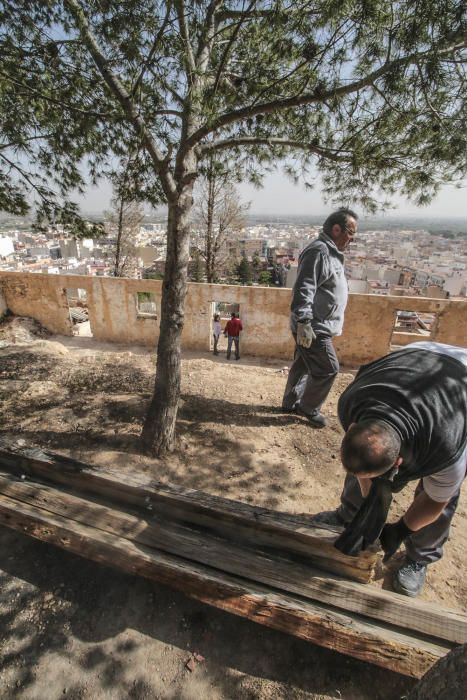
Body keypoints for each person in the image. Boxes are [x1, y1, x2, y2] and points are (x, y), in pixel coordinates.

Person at [313, 341, 467, 597]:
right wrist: (369, 504)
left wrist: (401, 529)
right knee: (363, 458)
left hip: (458, 387)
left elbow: (435, 502)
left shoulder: (445, 446)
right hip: (416, 356)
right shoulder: (351, 403)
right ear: (352, 427)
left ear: (398, 464)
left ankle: (420, 556)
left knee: (442, 493)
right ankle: (349, 514)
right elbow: (363, 457)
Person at [282, 208, 358, 428]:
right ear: (336, 229)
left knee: (303, 365)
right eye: (350, 233)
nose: (352, 239)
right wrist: (305, 321)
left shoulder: (330, 251)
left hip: (317, 323)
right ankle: (308, 408)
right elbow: (304, 287)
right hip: (314, 326)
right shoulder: (320, 251)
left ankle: (290, 402)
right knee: (328, 368)